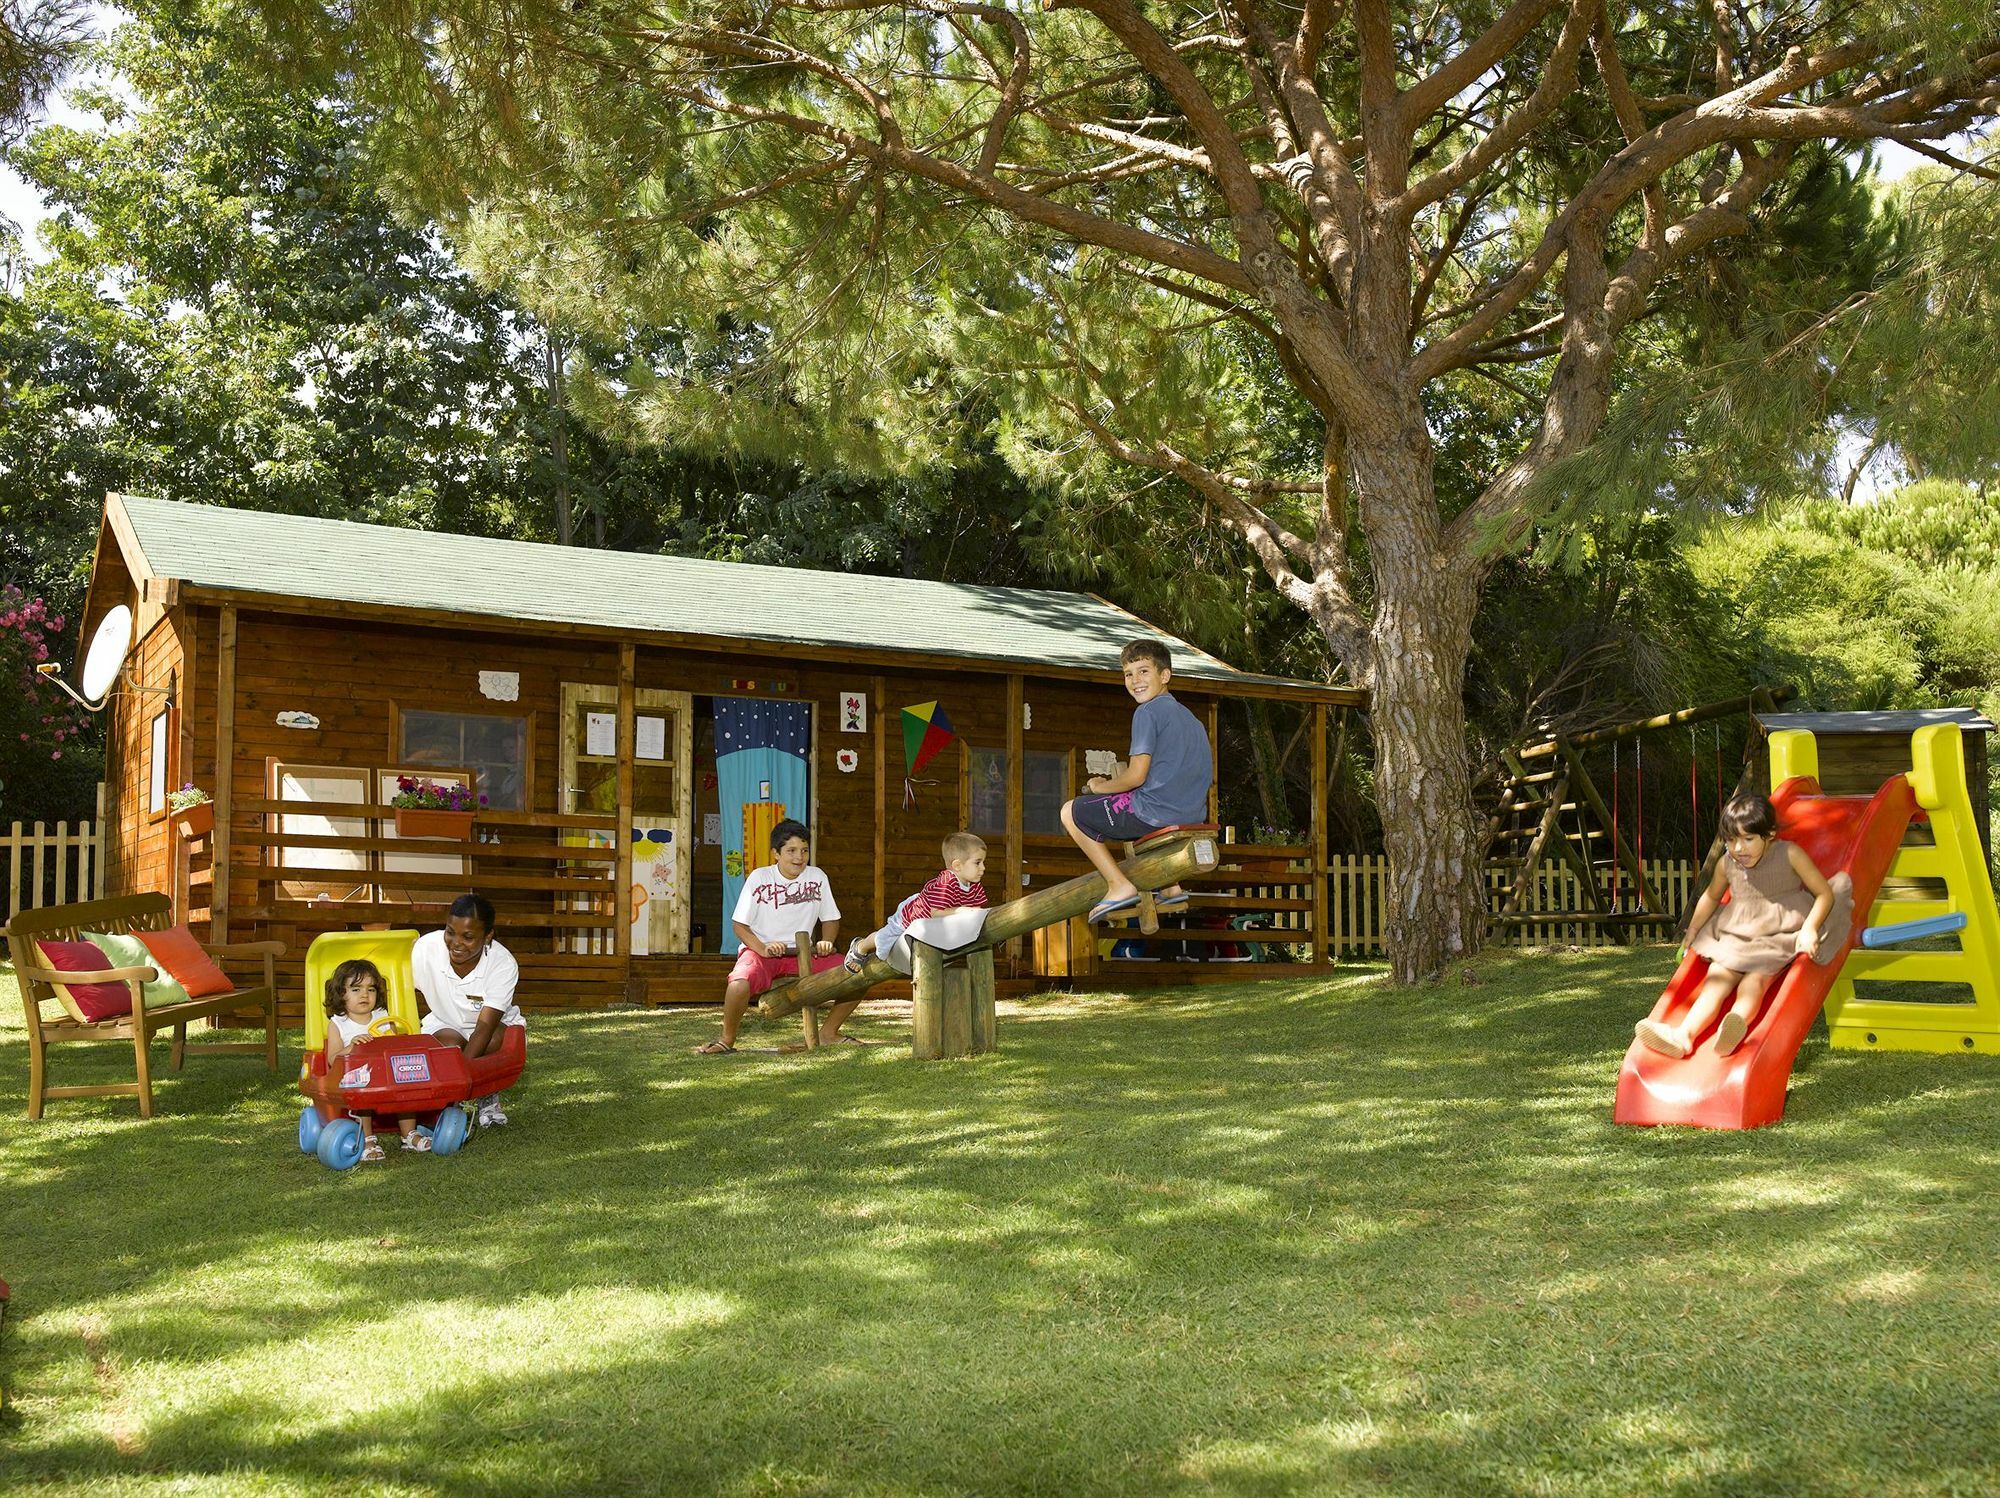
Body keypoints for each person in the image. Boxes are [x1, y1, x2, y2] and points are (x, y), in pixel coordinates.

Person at [1635, 791, 1853, 1059]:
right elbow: (1712, 896)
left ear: (1769, 834)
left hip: (1779, 933)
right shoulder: (1727, 864)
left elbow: (1824, 894)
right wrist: (1691, 931)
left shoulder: (1790, 854)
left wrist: (1809, 928)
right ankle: (1684, 1036)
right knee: (1716, 978)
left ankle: (1736, 1021)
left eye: (1748, 839)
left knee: (1755, 981)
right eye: (1731, 840)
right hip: (1739, 934)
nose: (1739, 848)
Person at [1060, 639, 1214, 923]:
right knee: (1128, 804)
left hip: (1154, 813)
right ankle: (1170, 886)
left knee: (1071, 811)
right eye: (1128, 674)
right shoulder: (1192, 720)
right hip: (1193, 814)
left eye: (1144, 671)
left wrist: (1098, 787)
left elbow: (1134, 777)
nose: (1135, 681)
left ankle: (1118, 885)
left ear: (1164, 675)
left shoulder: (1147, 712)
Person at [695, 819, 851, 1054]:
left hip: (804, 953)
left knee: (854, 972)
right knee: (738, 984)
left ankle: (829, 1033)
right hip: (762, 951)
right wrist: (763, 948)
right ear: (775, 853)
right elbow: (739, 925)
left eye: (804, 850)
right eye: (791, 851)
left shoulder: (818, 877)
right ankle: (726, 1040)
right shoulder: (759, 878)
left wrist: (826, 941)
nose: (799, 857)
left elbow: (831, 918)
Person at [412, 893, 524, 1126]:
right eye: (450, 932)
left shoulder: (502, 963)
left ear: (488, 936)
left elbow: (483, 1028)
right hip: (446, 1022)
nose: (456, 943)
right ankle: (446, 1098)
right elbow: (399, 991)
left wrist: (457, 1091)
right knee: (447, 1048)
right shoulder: (425, 949)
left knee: (494, 1040)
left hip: (490, 1028)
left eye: (468, 937)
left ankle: (486, 1095)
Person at [323, 957, 426, 1158]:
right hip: (356, 1079)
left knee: (406, 1086)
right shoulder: (339, 1023)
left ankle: (409, 1135)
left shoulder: (382, 1016)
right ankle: (367, 1139)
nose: (365, 994)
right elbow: (332, 1059)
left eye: (370, 989)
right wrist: (352, 1046)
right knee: (363, 1092)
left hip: (386, 1073)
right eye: (356, 989)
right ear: (342, 994)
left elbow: (395, 1046)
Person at [846, 831, 989, 973]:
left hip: (934, 923)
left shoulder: (975, 885)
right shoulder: (947, 882)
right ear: (957, 865)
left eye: (983, 862)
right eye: (978, 862)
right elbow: (936, 913)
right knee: (885, 938)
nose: (983, 868)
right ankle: (861, 946)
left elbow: (976, 911)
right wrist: (962, 910)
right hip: (911, 913)